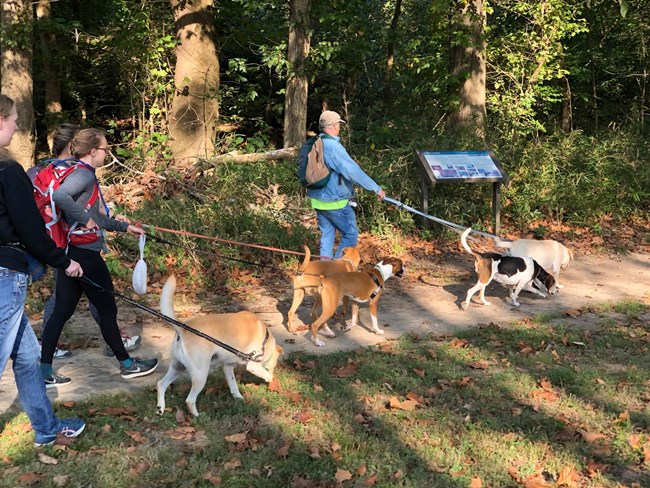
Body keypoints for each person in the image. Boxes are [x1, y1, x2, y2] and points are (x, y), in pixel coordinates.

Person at [40, 128, 158, 387]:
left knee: (62, 310)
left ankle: (45, 370)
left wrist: (125, 227)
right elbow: (61, 197)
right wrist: (85, 218)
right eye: (105, 148)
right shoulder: (83, 174)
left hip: (72, 252)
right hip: (86, 255)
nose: (107, 152)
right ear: (93, 152)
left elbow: (97, 217)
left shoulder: (81, 173)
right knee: (107, 309)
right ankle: (128, 365)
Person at [0, 93, 86, 446]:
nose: (17, 126)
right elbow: (30, 229)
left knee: (27, 356)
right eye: (13, 120)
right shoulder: (7, 170)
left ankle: (47, 428)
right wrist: (63, 260)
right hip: (6, 275)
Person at [306, 111, 385, 258]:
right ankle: (337, 271)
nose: (339, 128)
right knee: (350, 234)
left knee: (327, 237)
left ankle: (325, 275)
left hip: (317, 199)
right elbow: (352, 171)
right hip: (334, 201)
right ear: (334, 126)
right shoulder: (332, 147)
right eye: (338, 125)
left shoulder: (314, 143)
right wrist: (375, 188)